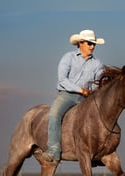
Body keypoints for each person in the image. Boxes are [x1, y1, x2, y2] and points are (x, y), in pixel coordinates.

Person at [41, 29, 105, 166]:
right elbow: (62, 80)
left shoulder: (97, 63)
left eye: (94, 44)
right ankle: (53, 150)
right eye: (89, 43)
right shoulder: (68, 57)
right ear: (80, 43)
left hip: (86, 98)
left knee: (100, 118)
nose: (92, 47)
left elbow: (98, 82)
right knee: (54, 114)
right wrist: (81, 90)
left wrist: (92, 91)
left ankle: (96, 154)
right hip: (67, 95)